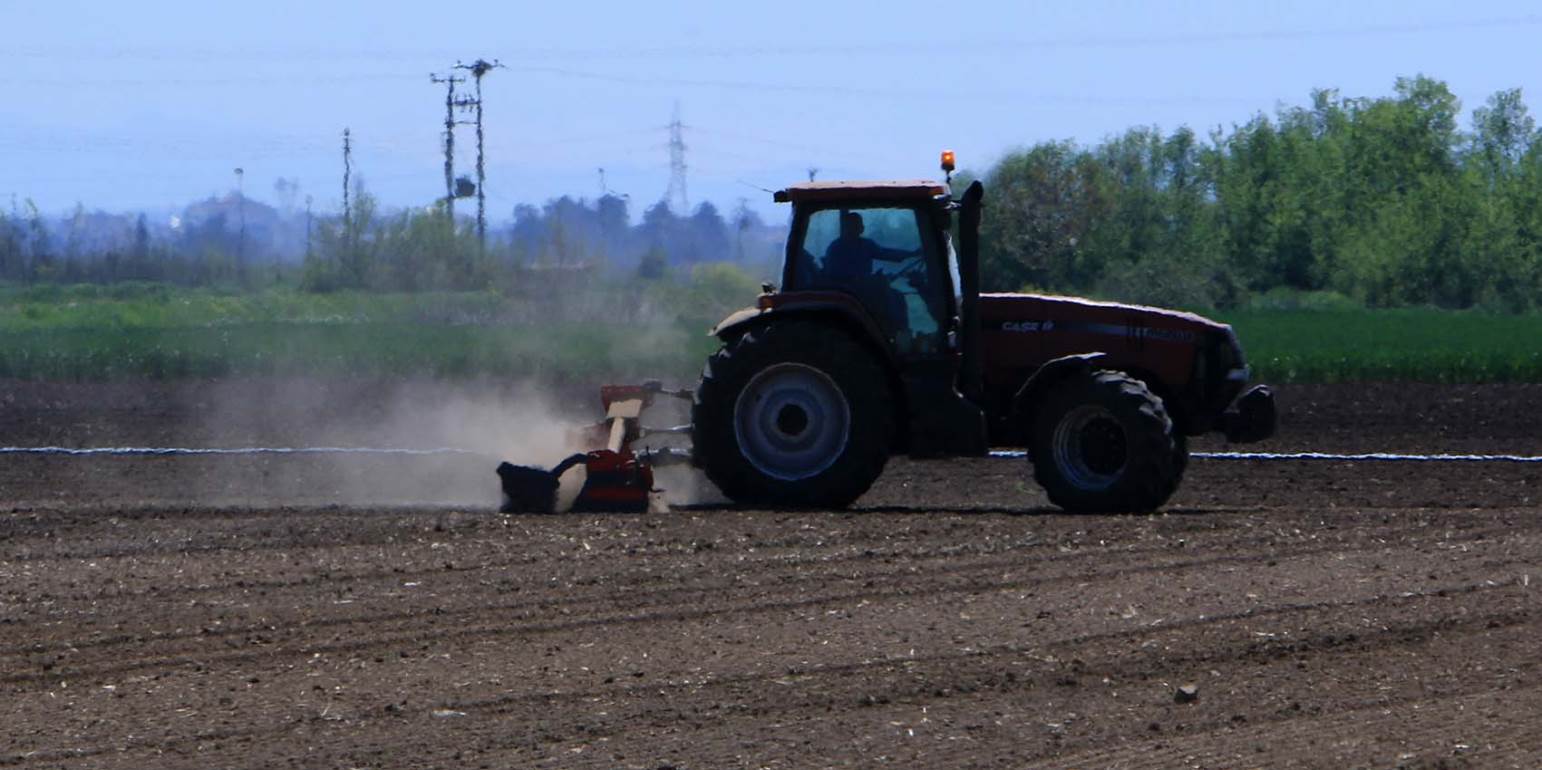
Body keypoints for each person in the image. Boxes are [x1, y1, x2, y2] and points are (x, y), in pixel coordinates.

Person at [822, 211, 882, 282]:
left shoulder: (867, 244)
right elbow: (836, 276)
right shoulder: (835, 248)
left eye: (856, 226)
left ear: (862, 228)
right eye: (850, 227)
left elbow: (883, 253)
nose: (852, 230)